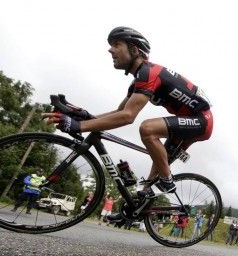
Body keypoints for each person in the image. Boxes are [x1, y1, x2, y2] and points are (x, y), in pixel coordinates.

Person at [43, 26, 213, 199]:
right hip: (185, 121)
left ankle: (167, 181)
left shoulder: (149, 73)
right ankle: (138, 210)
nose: (110, 49)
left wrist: (79, 126)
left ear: (134, 50)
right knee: (147, 187)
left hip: (201, 120)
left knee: (147, 129)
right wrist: (80, 114)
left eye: (117, 44)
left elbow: (128, 116)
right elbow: (120, 111)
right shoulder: (139, 80)